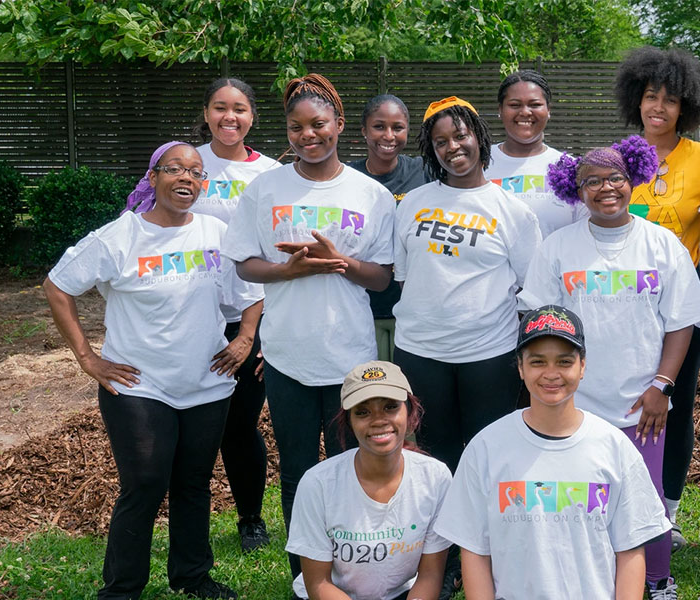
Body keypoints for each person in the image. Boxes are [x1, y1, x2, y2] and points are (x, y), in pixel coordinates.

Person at [46, 141, 261, 600]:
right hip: (139, 384)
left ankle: (192, 575)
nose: (187, 179)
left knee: (193, 483)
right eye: (175, 170)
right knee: (144, 482)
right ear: (154, 177)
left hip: (208, 383)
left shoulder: (215, 233)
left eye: (196, 173)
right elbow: (58, 286)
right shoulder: (120, 237)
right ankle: (122, 588)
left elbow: (251, 292)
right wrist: (88, 358)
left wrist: (243, 339)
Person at [222, 73, 397, 581]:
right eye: (296, 127)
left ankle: (354, 570)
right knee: (298, 472)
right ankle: (306, 576)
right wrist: (287, 272)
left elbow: (382, 276)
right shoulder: (266, 188)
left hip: (350, 355)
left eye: (318, 123)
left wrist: (341, 262)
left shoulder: (371, 195)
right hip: (287, 357)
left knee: (353, 467)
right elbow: (243, 263)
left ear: (339, 124)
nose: (308, 135)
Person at [521, 136, 700, 599]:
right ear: (575, 190)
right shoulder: (557, 248)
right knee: (581, 502)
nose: (605, 188)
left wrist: (662, 386)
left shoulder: (662, 244)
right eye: (592, 181)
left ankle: (657, 581)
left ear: (634, 180)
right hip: (574, 405)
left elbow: (680, 322)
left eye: (615, 178)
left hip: (640, 404)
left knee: (644, 502)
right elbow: (540, 322)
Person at [434, 305, 672, 600]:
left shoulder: (614, 447)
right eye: (537, 362)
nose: (551, 374)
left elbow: (631, 548)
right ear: (520, 367)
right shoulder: (486, 448)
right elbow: (474, 551)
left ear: (582, 366)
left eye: (564, 361)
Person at [613, 45, 700, 549]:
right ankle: (622, 502)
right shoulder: (620, 156)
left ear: (685, 105)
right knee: (622, 401)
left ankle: (667, 512)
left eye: (668, 99)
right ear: (635, 102)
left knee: (676, 404)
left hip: (684, 308)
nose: (657, 107)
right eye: (648, 97)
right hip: (621, 304)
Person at [392, 96, 542, 473]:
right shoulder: (412, 203)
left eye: (459, 135)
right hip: (421, 351)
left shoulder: (513, 211)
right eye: (440, 142)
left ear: (478, 135)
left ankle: (483, 532)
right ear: (430, 150)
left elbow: (531, 291)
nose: (452, 147)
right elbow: (405, 276)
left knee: (487, 453)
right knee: (433, 454)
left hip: (489, 354)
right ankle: (443, 531)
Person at [192, 76, 281, 553]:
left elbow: (274, 252)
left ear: (252, 117)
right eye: (220, 107)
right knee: (198, 422)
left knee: (241, 423)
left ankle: (250, 519)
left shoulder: (269, 175)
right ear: (206, 113)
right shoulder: (186, 163)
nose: (230, 117)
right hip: (191, 314)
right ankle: (193, 518)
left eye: (240, 108)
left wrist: (264, 331)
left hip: (253, 314)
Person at [287, 360, 451, 600]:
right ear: (349, 422)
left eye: (390, 407)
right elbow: (318, 583)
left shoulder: (436, 479)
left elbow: (430, 576)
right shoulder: (317, 484)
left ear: (410, 412)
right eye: (363, 412)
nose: (378, 420)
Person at [347, 94, 433, 362]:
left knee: (407, 397)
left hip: (412, 309)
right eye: (379, 126)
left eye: (398, 127)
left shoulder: (425, 172)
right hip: (359, 308)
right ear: (364, 130)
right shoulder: (347, 179)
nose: (388, 135)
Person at [484, 69, 587, 237]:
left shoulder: (570, 168)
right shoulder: (479, 163)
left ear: (548, 110)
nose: (525, 112)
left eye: (535, 104)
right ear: (500, 110)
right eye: (515, 105)